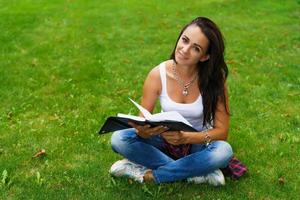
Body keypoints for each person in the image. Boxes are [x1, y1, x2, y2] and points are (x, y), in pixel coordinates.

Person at [109, 17, 233, 186]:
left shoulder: (215, 80)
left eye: (195, 48)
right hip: (163, 140)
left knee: (223, 152)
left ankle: (147, 174)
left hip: (197, 144)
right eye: (185, 40)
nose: (184, 49)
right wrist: (143, 132)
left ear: (204, 57)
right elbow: (141, 120)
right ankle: (197, 172)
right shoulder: (157, 74)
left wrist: (187, 137)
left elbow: (222, 132)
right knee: (118, 138)